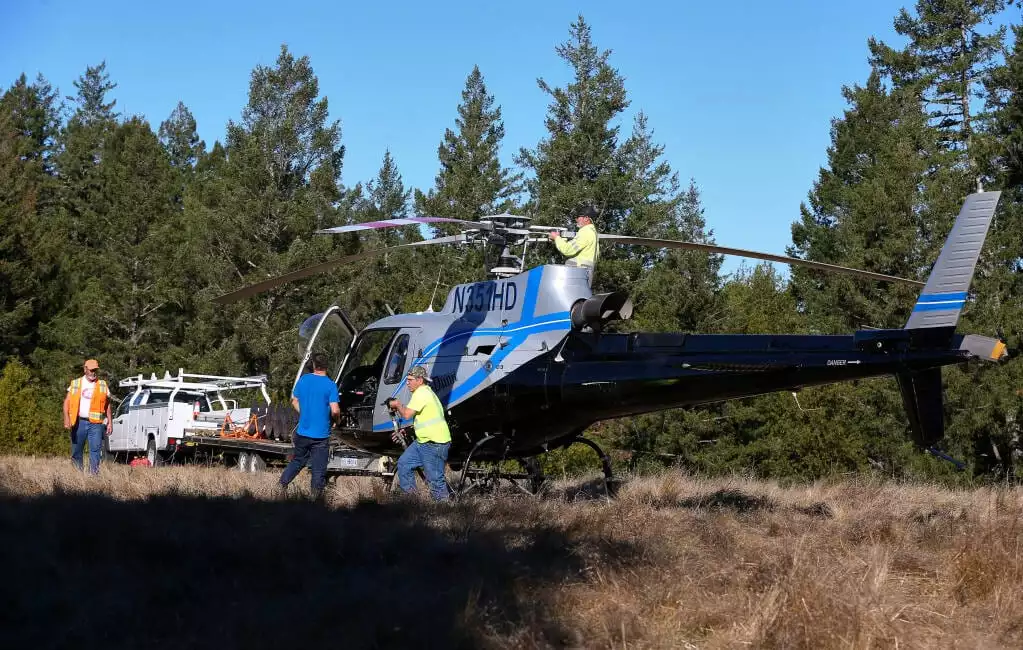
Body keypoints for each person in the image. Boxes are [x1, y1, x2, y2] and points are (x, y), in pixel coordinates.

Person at [279, 352, 340, 501]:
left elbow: (294, 401)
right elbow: (335, 410)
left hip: (302, 432)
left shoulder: (304, 380)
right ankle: (314, 499)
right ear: (326, 366)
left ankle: (281, 485)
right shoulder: (330, 385)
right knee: (318, 469)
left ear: (313, 365)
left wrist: (305, 412)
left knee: (298, 461)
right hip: (320, 436)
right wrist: (337, 421)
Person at [386, 366, 451, 501]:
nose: (407, 383)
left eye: (410, 380)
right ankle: (412, 501)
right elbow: (423, 418)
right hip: (423, 442)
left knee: (435, 480)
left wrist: (397, 404)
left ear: (420, 380)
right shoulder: (424, 392)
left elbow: (407, 414)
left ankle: (444, 513)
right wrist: (408, 430)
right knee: (404, 463)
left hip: (434, 444)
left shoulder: (422, 393)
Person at [63, 358, 112, 475]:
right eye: (91, 370)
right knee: (77, 450)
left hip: (96, 424)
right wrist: (66, 418)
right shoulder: (76, 383)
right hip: (79, 422)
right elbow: (67, 402)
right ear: (85, 369)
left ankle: (93, 476)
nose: (93, 372)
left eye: (95, 370)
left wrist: (110, 422)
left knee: (95, 450)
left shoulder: (102, 384)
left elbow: (108, 404)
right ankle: (77, 476)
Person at [549, 204, 600, 286]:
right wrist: (560, 239)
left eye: (579, 217)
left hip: (577, 274)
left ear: (586, 218)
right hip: (585, 273)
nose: (576, 220)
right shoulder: (593, 233)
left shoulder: (585, 232)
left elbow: (567, 250)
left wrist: (556, 238)